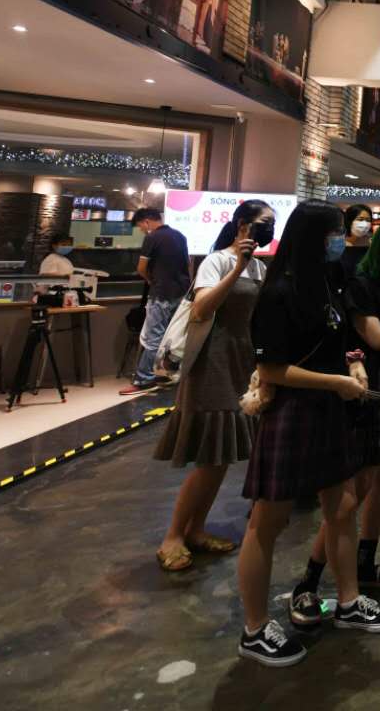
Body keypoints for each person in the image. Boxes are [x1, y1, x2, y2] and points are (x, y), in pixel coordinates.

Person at [237, 201, 380, 667]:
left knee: (342, 508)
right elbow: (272, 369)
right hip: (293, 413)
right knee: (267, 520)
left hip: (331, 409)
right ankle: (254, 628)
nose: (341, 239)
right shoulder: (278, 292)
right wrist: (336, 383)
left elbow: (336, 341)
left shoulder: (328, 282)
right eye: (334, 232)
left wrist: (353, 364)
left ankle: (348, 601)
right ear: (313, 237)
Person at [292, 220, 380, 622]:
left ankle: (365, 561)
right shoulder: (361, 286)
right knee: (353, 490)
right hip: (370, 383)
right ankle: (310, 579)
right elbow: (377, 338)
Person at [150, 200, 272, 572]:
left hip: (241, 360)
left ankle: (196, 529)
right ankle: (173, 535)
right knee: (209, 458)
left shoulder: (261, 267)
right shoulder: (217, 261)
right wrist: (236, 269)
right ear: (242, 225)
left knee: (220, 456)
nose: (267, 229)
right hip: (212, 361)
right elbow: (202, 308)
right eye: (262, 222)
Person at [121, 207, 190, 394]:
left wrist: (150, 280)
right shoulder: (180, 236)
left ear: (147, 221)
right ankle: (168, 375)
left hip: (161, 294)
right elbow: (187, 264)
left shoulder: (152, 237)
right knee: (174, 338)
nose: (142, 230)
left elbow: (141, 268)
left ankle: (144, 380)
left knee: (152, 339)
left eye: (140, 227)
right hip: (181, 295)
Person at [341, 204, 375, 276]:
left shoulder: (372, 243)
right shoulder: (338, 243)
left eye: (368, 220)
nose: (365, 224)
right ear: (349, 221)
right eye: (360, 219)